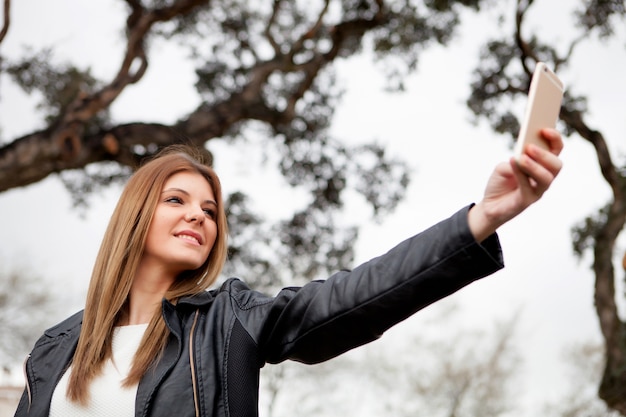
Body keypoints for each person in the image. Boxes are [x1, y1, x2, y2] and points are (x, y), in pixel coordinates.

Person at [14, 129, 563, 417]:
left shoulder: (227, 321)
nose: (197, 217)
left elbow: (351, 298)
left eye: (209, 211)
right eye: (176, 200)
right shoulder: (52, 350)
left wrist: (479, 220)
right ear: (135, 214)